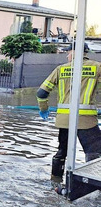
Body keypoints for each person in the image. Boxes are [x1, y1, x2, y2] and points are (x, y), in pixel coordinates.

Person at [36, 42, 101, 181]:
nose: (67, 55)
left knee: (62, 151)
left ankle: (56, 181)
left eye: (68, 52)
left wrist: (44, 109)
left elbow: (41, 93)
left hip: (64, 120)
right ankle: (93, 184)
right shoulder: (97, 67)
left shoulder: (60, 69)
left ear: (76, 51)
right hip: (86, 121)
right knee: (95, 153)